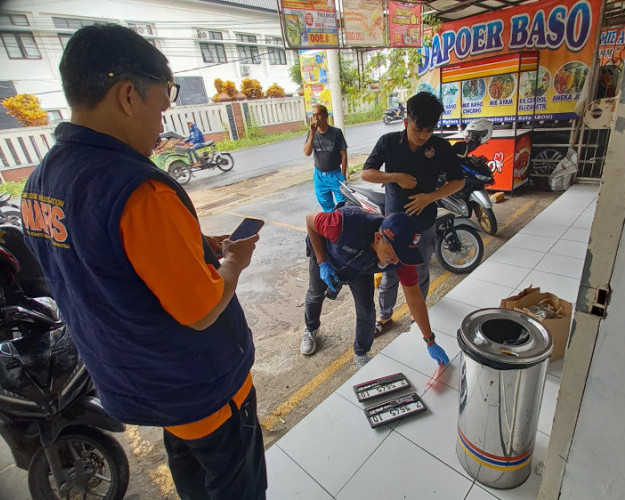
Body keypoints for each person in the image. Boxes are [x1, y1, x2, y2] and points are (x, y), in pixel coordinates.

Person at [20, 24, 266, 499]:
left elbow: (101, 267)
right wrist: (233, 262)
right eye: (161, 103)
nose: (162, 121)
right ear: (128, 94)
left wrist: (192, 246)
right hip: (203, 390)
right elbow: (200, 309)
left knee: (194, 484)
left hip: (141, 385)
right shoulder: (139, 189)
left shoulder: (39, 184)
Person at [362, 91, 465, 335]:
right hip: (391, 225)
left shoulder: (439, 147)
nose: (423, 136)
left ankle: (415, 314)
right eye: (418, 129)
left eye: (429, 130)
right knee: (389, 274)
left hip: (423, 224)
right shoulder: (388, 142)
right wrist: (394, 177)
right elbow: (367, 173)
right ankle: (384, 316)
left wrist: (430, 197)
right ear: (407, 122)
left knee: (420, 272)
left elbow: (458, 181)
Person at [300, 205, 450, 369]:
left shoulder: (400, 259)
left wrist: (430, 340)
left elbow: (415, 299)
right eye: (392, 256)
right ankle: (311, 329)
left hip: (361, 267)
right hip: (327, 255)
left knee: (366, 309)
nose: (395, 263)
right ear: (378, 239)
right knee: (315, 294)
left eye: (400, 258)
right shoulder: (343, 224)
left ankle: (361, 352)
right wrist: (322, 262)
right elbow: (310, 220)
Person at [302, 104, 348, 212]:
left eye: (318, 114)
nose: (316, 118)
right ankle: (331, 227)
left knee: (343, 205)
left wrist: (343, 174)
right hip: (319, 176)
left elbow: (344, 155)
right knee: (327, 208)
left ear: (326, 116)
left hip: (335, 175)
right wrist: (312, 134)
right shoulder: (311, 133)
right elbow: (307, 153)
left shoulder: (336, 132)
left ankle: (344, 226)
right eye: (313, 115)